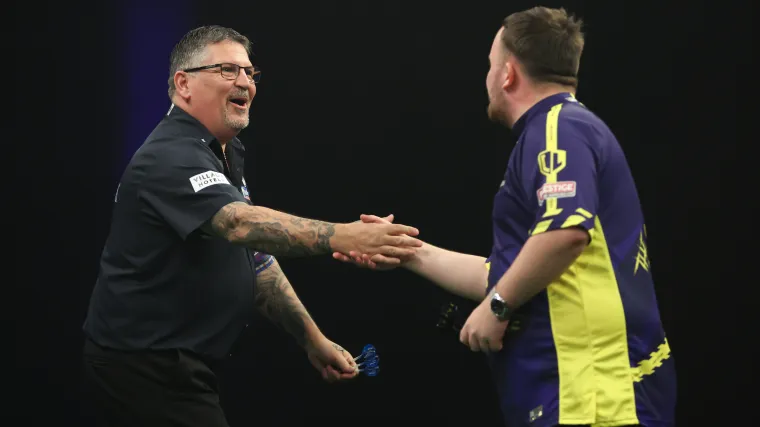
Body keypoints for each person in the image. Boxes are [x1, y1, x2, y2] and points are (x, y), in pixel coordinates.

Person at [334, 7, 676, 427]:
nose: (487, 78)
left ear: (508, 74)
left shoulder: (559, 130)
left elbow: (566, 233)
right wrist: (406, 251)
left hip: (591, 393)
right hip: (575, 391)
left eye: (490, 65)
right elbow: (509, 273)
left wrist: (497, 307)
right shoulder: (558, 131)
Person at [81, 25, 422, 427]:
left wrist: (312, 339)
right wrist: (346, 236)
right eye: (227, 70)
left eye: (249, 72)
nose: (245, 82)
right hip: (144, 366)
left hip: (177, 364)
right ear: (183, 84)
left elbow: (254, 257)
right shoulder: (170, 154)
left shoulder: (222, 152)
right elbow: (239, 225)